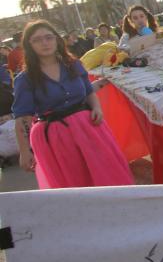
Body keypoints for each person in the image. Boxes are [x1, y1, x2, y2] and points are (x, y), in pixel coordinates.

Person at [11, 20, 134, 188]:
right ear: (29, 45)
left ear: (56, 40)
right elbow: (23, 117)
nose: (45, 43)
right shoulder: (24, 79)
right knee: (75, 183)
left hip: (88, 128)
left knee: (107, 175)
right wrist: (25, 151)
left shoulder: (74, 65)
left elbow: (88, 92)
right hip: (55, 137)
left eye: (49, 37)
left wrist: (97, 108)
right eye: (37, 40)